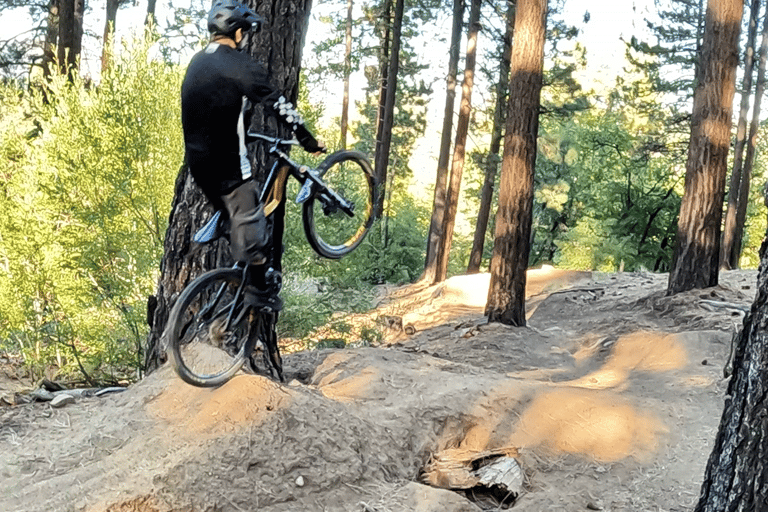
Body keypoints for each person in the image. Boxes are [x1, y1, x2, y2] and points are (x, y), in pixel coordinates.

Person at [181, 0, 323, 292]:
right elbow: (278, 104)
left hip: (199, 167)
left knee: (237, 220)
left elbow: (209, 109)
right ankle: (258, 295)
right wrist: (307, 140)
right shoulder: (239, 65)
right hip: (229, 167)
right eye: (244, 31)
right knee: (257, 237)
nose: (245, 37)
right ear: (237, 32)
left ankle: (237, 251)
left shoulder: (197, 62)